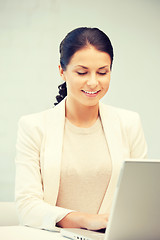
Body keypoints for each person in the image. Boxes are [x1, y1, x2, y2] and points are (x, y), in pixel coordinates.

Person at [15, 27, 147, 231]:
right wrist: (86, 220)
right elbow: (27, 206)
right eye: (82, 72)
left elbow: (140, 199)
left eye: (102, 72)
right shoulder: (34, 127)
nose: (93, 82)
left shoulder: (129, 123)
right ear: (62, 71)